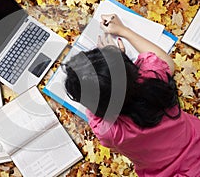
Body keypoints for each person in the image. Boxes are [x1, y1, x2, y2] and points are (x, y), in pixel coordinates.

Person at [63, 14, 200, 176]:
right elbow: (168, 63)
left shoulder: (106, 130)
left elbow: (98, 102)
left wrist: (110, 74)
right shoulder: (152, 76)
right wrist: (123, 33)